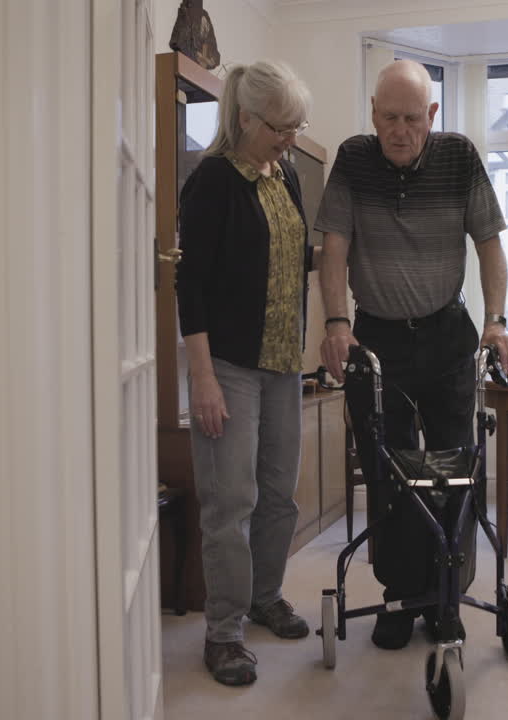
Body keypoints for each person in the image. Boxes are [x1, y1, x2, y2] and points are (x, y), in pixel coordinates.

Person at [314, 59, 508, 650]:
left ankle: (447, 594)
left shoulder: (459, 158)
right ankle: (401, 595)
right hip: (376, 338)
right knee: (391, 470)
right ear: (373, 113)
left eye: (412, 118)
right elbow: (334, 248)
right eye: (388, 117)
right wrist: (335, 323)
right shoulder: (354, 159)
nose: (399, 130)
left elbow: (490, 246)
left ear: (432, 115)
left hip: (447, 332)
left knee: (456, 468)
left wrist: (497, 322)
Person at [175, 60, 314, 687]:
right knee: (231, 502)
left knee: (279, 494)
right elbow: (191, 286)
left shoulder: (284, 177)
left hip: (284, 364)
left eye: (295, 126)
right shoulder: (210, 182)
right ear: (245, 118)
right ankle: (224, 633)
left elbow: (292, 262)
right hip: (228, 365)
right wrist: (200, 377)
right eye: (279, 127)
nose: (289, 138)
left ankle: (265, 595)